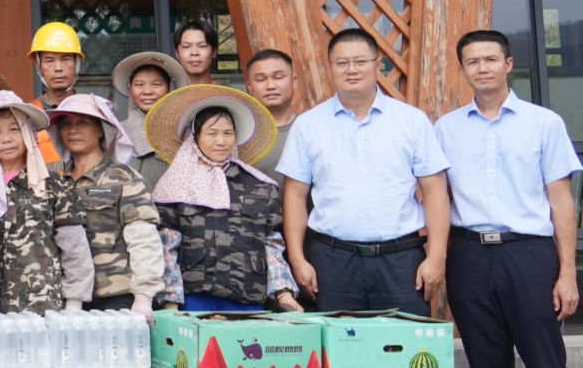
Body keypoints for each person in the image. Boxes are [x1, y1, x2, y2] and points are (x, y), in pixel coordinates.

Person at [436, 30, 579, 368]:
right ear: (464, 69)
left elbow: (561, 200)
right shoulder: (446, 129)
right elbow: (437, 198)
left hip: (530, 254)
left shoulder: (543, 123)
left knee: (545, 366)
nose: (482, 67)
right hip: (469, 254)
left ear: (508, 64)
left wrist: (567, 272)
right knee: (487, 366)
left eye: (490, 59)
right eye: (472, 61)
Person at [279, 28, 449, 315]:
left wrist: (436, 256)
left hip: (401, 260)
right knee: (338, 354)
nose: (351, 69)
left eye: (360, 61)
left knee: (406, 352)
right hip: (332, 262)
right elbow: (295, 196)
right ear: (330, 67)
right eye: (342, 63)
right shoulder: (308, 125)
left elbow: (435, 191)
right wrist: (297, 259)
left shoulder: (411, 121)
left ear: (377, 62)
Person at [145, 86, 298, 313]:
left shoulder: (260, 186)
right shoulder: (174, 185)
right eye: (212, 133)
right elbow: (167, 247)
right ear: (194, 137)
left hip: (248, 295)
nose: (221, 141)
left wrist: (284, 293)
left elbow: (272, 242)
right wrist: (170, 302)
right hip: (193, 296)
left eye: (228, 133)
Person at [0, 91, 93, 314]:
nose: (6, 139)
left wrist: (74, 303)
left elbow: (75, 250)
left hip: (44, 308)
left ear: (28, 134)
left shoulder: (54, 186)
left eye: (15, 129)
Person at [49, 93, 162, 318]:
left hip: (117, 298)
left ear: (101, 130)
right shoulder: (54, 179)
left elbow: (143, 238)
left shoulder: (123, 177)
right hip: (65, 300)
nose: (73, 130)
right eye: (66, 124)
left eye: (82, 122)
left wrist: (143, 298)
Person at [112, 51, 187, 188]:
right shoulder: (119, 133)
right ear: (131, 89)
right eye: (139, 84)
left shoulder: (183, 131)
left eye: (156, 84)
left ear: (169, 88)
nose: (147, 91)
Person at [27, 23, 82, 163]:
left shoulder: (95, 112)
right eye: (49, 60)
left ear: (77, 63)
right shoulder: (27, 115)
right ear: (38, 66)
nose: (58, 68)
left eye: (65, 59)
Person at [245, 49, 301, 182]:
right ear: (249, 87)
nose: (270, 86)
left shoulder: (312, 128)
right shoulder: (240, 135)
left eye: (278, 77)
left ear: (294, 81)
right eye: (260, 79)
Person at [173, 20, 219, 86]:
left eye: (202, 46)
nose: (194, 53)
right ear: (177, 53)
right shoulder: (169, 94)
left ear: (214, 52)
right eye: (186, 46)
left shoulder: (229, 95)